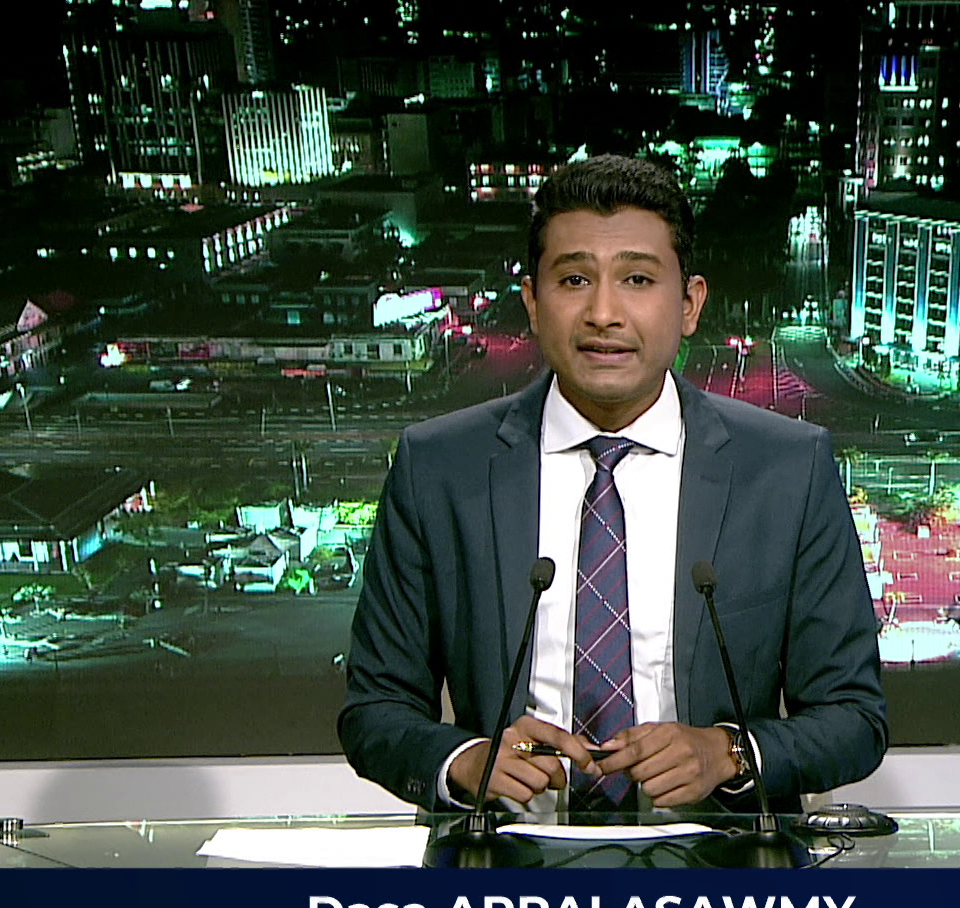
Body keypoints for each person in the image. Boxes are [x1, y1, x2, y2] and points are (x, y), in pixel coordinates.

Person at [339, 155, 885, 815]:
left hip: (720, 863)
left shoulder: (787, 469)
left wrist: (728, 753)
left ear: (689, 304)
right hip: (509, 857)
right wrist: (466, 761)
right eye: (574, 279)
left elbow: (854, 717)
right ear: (532, 302)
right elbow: (375, 708)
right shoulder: (438, 467)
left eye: (637, 279)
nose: (603, 313)